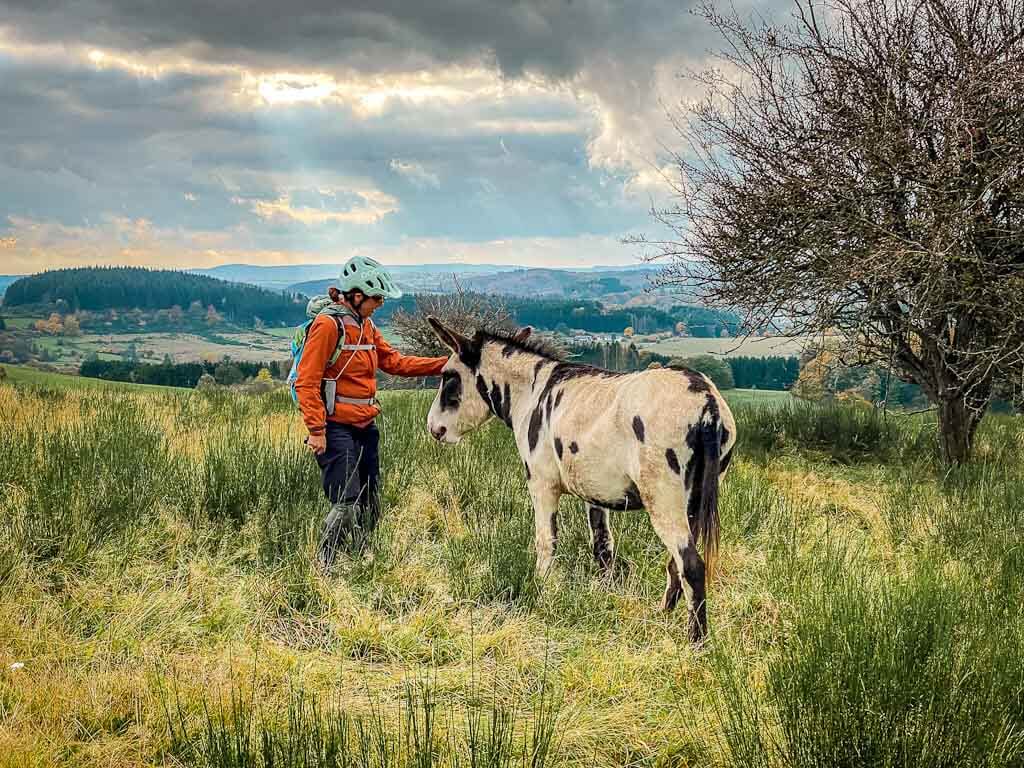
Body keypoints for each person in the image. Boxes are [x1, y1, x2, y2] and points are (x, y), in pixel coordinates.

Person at [295, 256, 447, 568]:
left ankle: (363, 557)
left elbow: (395, 363)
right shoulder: (327, 326)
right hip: (335, 428)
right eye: (377, 298)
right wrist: (316, 431)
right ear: (356, 294)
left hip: (365, 426)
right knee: (346, 501)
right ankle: (325, 565)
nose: (380, 304)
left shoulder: (367, 326)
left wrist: (446, 363)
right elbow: (306, 382)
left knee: (369, 499)